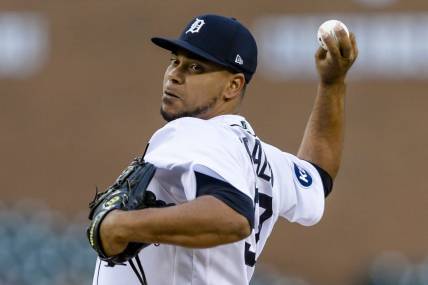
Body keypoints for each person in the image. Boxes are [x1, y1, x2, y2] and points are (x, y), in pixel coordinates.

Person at [92, 14, 358, 285]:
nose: (175, 75)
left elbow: (232, 216)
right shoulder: (260, 157)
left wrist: (119, 226)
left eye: (195, 67)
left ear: (233, 86)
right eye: (175, 61)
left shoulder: (192, 132)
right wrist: (332, 85)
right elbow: (318, 174)